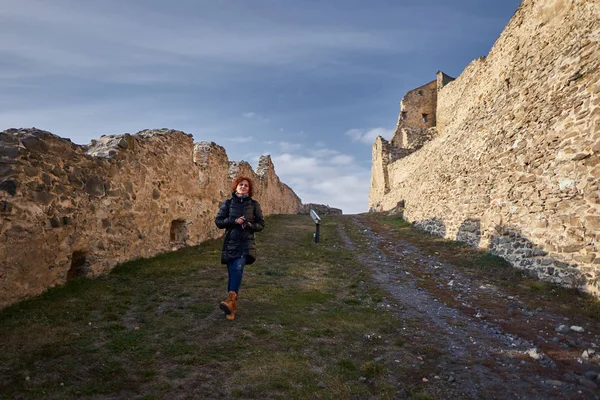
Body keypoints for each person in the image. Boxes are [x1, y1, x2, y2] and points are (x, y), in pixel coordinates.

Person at [215, 176, 265, 320]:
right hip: (231, 243)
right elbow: (218, 221)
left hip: (246, 244)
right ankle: (231, 307)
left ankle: (230, 302)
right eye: (241, 185)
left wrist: (250, 225)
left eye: (246, 186)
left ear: (249, 189)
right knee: (232, 273)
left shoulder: (254, 204)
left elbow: (261, 224)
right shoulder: (228, 203)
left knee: (238, 267)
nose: (243, 187)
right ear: (236, 187)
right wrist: (233, 221)